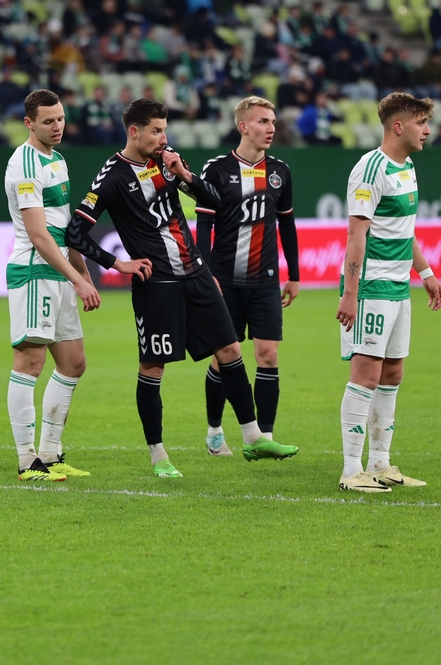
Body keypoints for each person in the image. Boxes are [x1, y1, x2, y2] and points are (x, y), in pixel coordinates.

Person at [66, 98, 290, 477]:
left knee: (231, 349)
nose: (163, 137)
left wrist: (185, 175)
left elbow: (218, 204)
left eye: (165, 130)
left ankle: (253, 437)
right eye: (156, 130)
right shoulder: (112, 177)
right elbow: (74, 232)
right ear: (134, 132)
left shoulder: (166, 161)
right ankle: (159, 456)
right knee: (153, 367)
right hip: (158, 283)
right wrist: (118, 263)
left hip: (196, 272)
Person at [335, 92, 441, 493]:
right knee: (365, 372)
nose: (428, 131)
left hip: (400, 286)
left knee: (393, 372)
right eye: (421, 123)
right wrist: (351, 293)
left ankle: (380, 463)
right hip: (371, 286)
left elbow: (404, 230)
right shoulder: (370, 169)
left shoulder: (408, 166)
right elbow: (356, 235)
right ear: (398, 126)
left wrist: (426, 272)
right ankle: (352, 470)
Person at [3, 90, 108, 482]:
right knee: (30, 362)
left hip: (60, 272)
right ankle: (26, 459)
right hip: (34, 271)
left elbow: (65, 229)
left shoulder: (58, 160)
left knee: (73, 362)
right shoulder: (26, 163)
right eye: (48, 121)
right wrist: (78, 279)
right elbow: (39, 234)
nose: (57, 126)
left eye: (61, 118)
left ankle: (50, 453)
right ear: (29, 123)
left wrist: (83, 272)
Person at [195, 96, 300, 459]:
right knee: (224, 357)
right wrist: (205, 274)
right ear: (243, 126)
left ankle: (263, 437)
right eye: (262, 122)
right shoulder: (216, 169)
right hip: (224, 280)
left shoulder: (280, 171)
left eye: (273, 121)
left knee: (268, 355)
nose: (271, 128)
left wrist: (295, 275)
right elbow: (204, 226)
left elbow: (286, 224)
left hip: (266, 280)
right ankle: (214, 432)